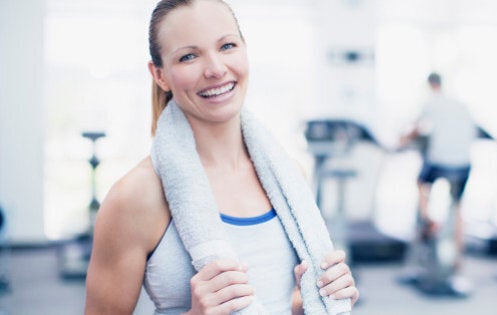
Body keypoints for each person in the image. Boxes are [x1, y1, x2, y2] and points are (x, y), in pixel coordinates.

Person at [84, 1, 358, 314]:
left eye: (227, 46)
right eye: (188, 56)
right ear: (159, 75)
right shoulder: (135, 196)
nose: (215, 69)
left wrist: (321, 297)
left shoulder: (290, 177)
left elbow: (278, 302)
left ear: (245, 50)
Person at [398, 72, 478, 286]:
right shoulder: (461, 104)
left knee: (422, 184)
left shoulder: (431, 103)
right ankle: (458, 259)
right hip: (463, 163)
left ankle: (430, 221)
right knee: (458, 206)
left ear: (430, 85)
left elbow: (416, 128)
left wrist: (401, 141)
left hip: (440, 162)